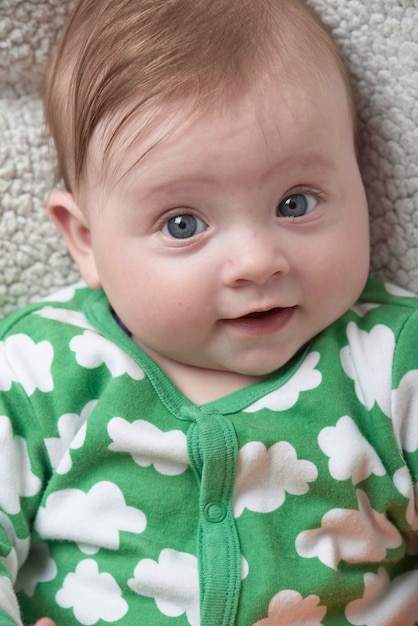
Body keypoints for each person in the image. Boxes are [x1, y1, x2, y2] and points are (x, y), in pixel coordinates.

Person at [0, 0, 417, 624]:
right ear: (85, 240)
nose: (256, 261)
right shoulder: (37, 372)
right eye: (183, 224)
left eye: (296, 203)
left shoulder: (391, 363)